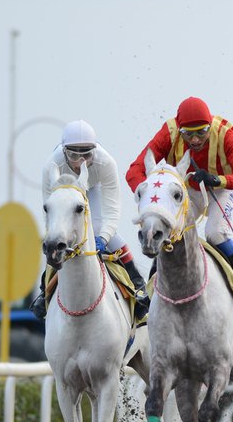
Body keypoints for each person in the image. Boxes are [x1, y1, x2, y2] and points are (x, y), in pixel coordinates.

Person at [125, 96, 233, 306]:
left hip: (220, 188)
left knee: (214, 232)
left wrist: (217, 179)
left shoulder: (228, 135)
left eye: (201, 132)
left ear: (210, 126)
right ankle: (151, 289)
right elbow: (135, 170)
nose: (196, 140)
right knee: (166, 227)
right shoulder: (168, 133)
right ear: (179, 129)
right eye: (188, 134)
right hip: (186, 190)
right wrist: (149, 197)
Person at [32, 120, 149, 320]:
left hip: (93, 187)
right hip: (62, 194)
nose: (80, 163)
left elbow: (112, 212)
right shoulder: (51, 166)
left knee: (95, 227)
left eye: (86, 155)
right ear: (64, 151)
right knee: (56, 239)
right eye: (73, 155)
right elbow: (50, 211)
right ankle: (45, 291)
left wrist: (102, 239)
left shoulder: (106, 163)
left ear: (95, 151)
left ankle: (137, 284)